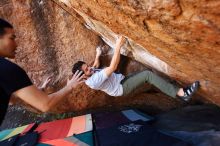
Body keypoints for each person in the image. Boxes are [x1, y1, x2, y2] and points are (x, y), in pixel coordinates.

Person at [0, 18, 85, 125]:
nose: (16, 44)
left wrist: (39, 90)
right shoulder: (7, 69)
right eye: (12, 38)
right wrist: (71, 86)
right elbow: (45, 104)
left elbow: (12, 99)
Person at [72, 36, 200, 101]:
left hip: (121, 80)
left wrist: (97, 55)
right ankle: (182, 94)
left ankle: (174, 89)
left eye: (86, 65)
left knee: (145, 74)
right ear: (83, 76)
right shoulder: (92, 82)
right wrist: (117, 46)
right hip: (121, 88)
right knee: (147, 75)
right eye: (86, 70)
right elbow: (113, 67)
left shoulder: (90, 72)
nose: (89, 68)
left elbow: (94, 66)